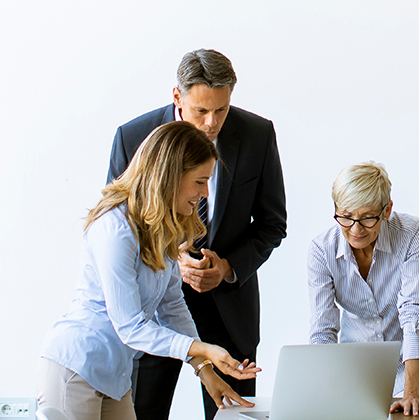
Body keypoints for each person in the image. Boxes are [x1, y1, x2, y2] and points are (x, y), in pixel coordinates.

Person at [105, 49, 287, 420]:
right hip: (153, 310)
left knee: (234, 414)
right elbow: (117, 224)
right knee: (144, 413)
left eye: (221, 110)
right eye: (201, 111)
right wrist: (172, 258)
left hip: (229, 308)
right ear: (177, 97)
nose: (211, 122)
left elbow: (272, 223)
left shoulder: (256, 134)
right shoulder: (134, 136)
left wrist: (227, 267)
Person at [39, 121, 262, 420]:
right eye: (199, 181)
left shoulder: (160, 228)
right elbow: (130, 326)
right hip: (77, 367)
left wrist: (204, 369)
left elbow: (172, 305)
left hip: (115, 377)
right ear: (170, 176)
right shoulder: (114, 229)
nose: (206, 192)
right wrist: (205, 349)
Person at [305, 162, 419, 417]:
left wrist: (412, 392)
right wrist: (321, 392)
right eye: (346, 216)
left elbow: (413, 310)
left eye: (367, 217)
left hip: (413, 356)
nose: (356, 230)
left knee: (411, 415)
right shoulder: (321, 250)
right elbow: (323, 330)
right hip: (358, 357)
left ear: (387, 210)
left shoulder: (413, 233)